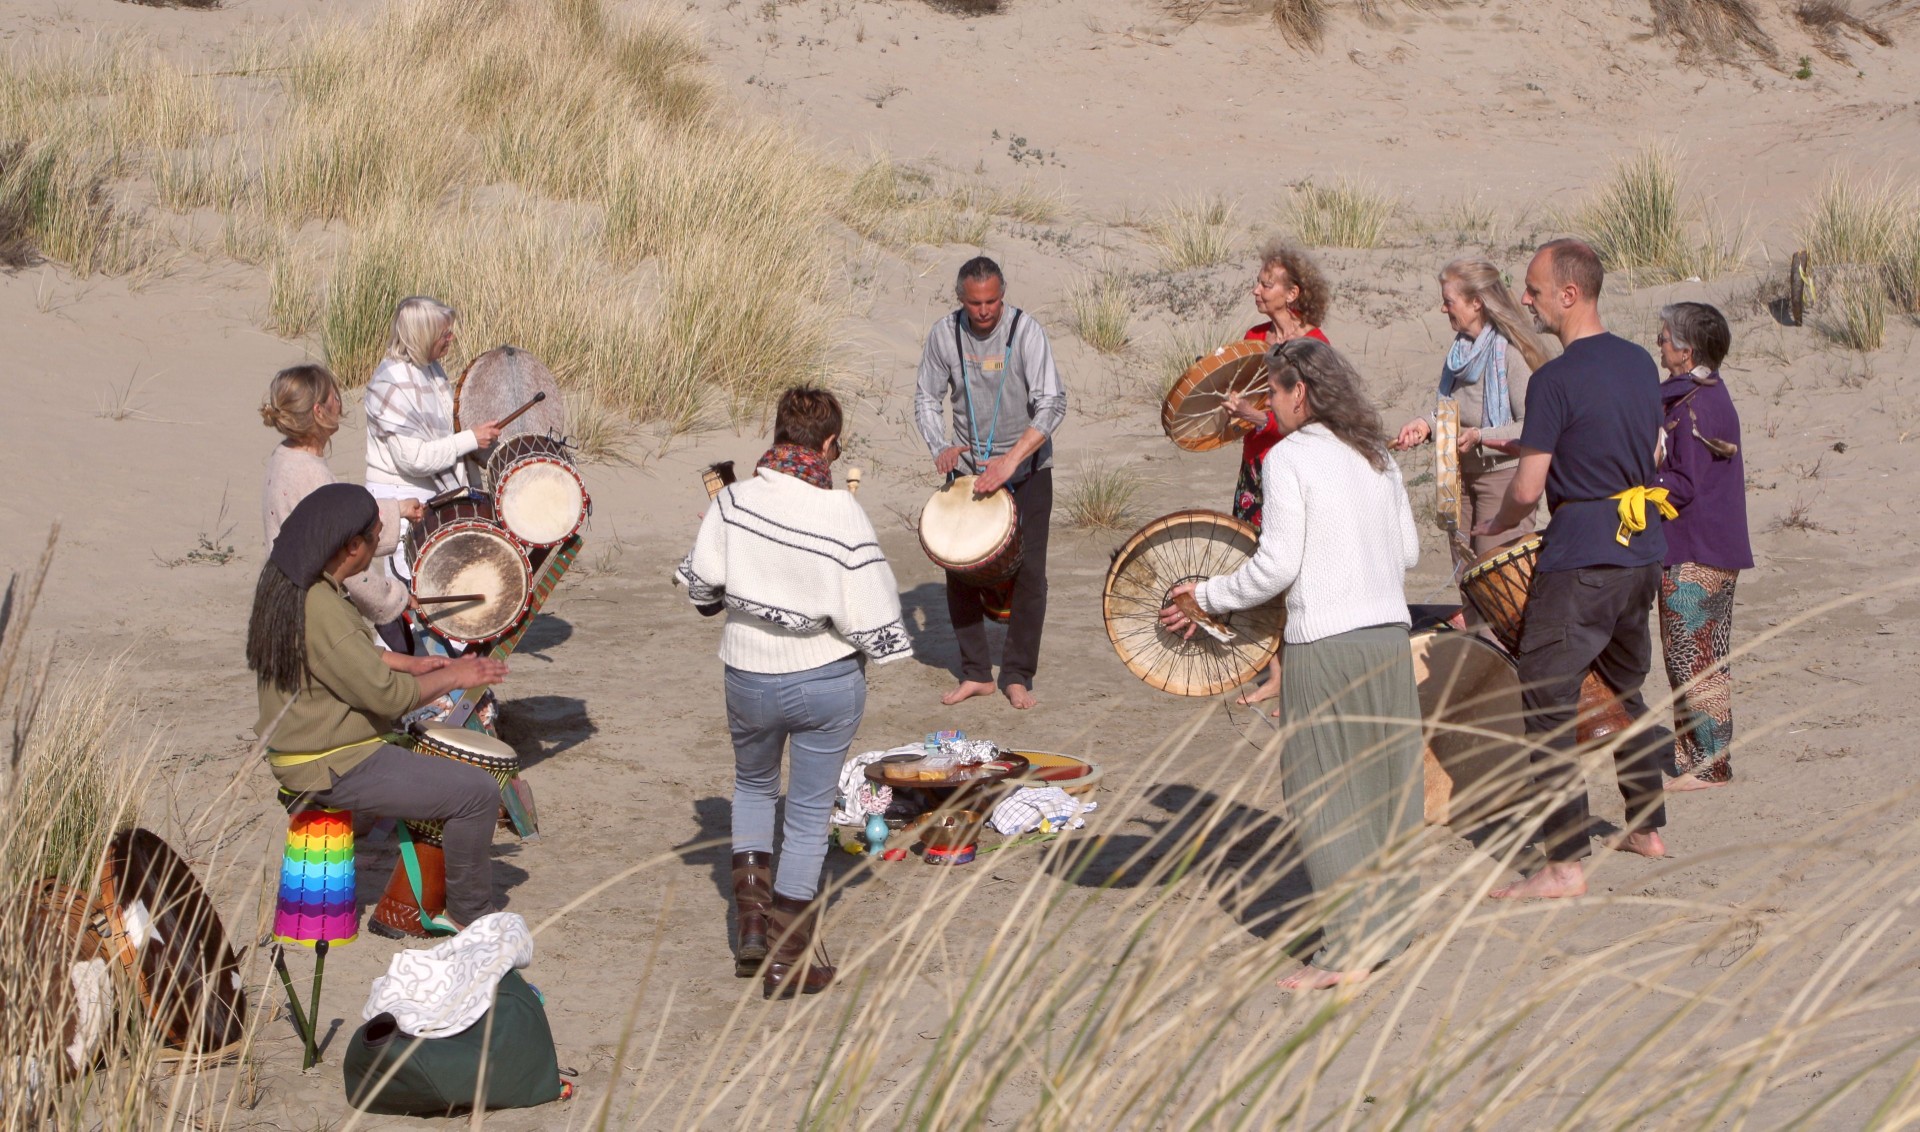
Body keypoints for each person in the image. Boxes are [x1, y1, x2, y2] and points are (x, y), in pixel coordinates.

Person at [1159, 338, 1422, 990]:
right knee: (1388, 791)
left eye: (1274, 392)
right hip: (1389, 637)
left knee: (1323, 792)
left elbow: (1276, 567)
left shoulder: (1289, 458)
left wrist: (1206, 597)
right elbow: (1410, 552)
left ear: (1298, 392)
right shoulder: (1378, 455)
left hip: (1326, 644)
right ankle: (1392, 931)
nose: (1269, 405)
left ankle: (1345, 954)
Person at [675, 387, 910, 998]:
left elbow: (703, 592)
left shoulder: (734, 500)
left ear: (777, 435)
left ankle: (752, 926)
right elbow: (872, 611)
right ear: (829, 445)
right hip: (825, 680)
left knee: (752, 787)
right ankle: (789, 961)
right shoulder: (842, 513)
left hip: (748, 675)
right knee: (805, 817)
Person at [1474, 239, 1676, 900]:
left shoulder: (1556, 378)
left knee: (1546, 696)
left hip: (1584, 550)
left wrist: (1497, 525)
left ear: (1569, 294)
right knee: (1622, 683)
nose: (1524, 300)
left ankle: (1562, 863)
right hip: (1643, 545)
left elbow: (1529, 489)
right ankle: (1646, 826)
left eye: (1532, 289)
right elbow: (1646, 444)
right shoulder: (1640, 362)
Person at [247, 484, 511, 932]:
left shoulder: (294, 584)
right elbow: (388, 697)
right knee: (476, 794)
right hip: (332, 764)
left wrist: (411, 662)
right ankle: (472, 918)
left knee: (443, 774)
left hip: (306, 751)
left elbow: (341, 657)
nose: (376, 544)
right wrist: (456, 676)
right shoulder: (322, 608)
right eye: (374, 536)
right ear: (352, 546)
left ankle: (411, 900)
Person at [913, 257, 1068, 711]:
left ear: (1004, 295)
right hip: (968, 471)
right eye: (975, 303)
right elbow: (925, 396)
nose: (984, 311)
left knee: (1031, 576)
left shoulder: (1026, 332)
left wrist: (1011, 461)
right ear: (960, 299)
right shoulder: (944, 334)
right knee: (959, 569)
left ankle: (1018, 674)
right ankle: (977, 673)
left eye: (992, 301)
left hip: (1027, 469)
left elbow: (1052, 405)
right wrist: (939, 444)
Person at [1219, 240, 1331, 710]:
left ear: (1293, 293)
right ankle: (1277, 672)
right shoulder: (1255, 336)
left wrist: (1256, 416)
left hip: (1296, 469)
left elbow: (1311, 419)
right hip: (1256, 468)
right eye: (1259, 281)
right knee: (1255, 563)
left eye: (1267, 283)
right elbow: (1242, 403)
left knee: (1294, 571)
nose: (1257, 289)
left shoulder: (1315, 346)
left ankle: (1300, 676)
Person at [1652, 302, 1751, 790]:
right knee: (1689, 655)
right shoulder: (1699, 394)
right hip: (1704, 546)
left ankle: (1710, 767)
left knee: (1696, 658)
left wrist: (1641, 482)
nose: (1660, 345)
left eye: (1666, 338)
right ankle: (1698, 760)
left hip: (1698, 549)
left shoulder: (1695, 403)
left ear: (1687, 350)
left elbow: (1684, 483)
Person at [1390, 259, 1552, 556]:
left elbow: (1532, 428)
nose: (1443, 309)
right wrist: (1426, 425)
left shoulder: (1511, 353)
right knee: (1465, 576)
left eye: (1448, 301)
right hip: (1459, 478)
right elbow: (1452, 412)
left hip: (1503, 478)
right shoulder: (1460, 352)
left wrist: (1481, 436)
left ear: (1476, 303)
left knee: (1495, 579)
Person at [260, 364, 422, 653]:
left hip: (288, 603)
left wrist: (398, 510)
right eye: (333, 394)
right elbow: (346, 559)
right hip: (312, 617)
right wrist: (394, 598)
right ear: (319, 412)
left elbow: (343, 524)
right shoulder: (311, 475)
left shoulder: (285, 456)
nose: (340, 399)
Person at [364, 297, 503, 579]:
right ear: (423, 336)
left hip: (432, 496)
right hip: (401, 499)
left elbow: (445, 428)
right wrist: (470, 440)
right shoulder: (389, 384)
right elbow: (413, 459)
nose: (451, 338)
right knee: (410, 593)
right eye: (444, 334)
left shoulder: (430, 369)